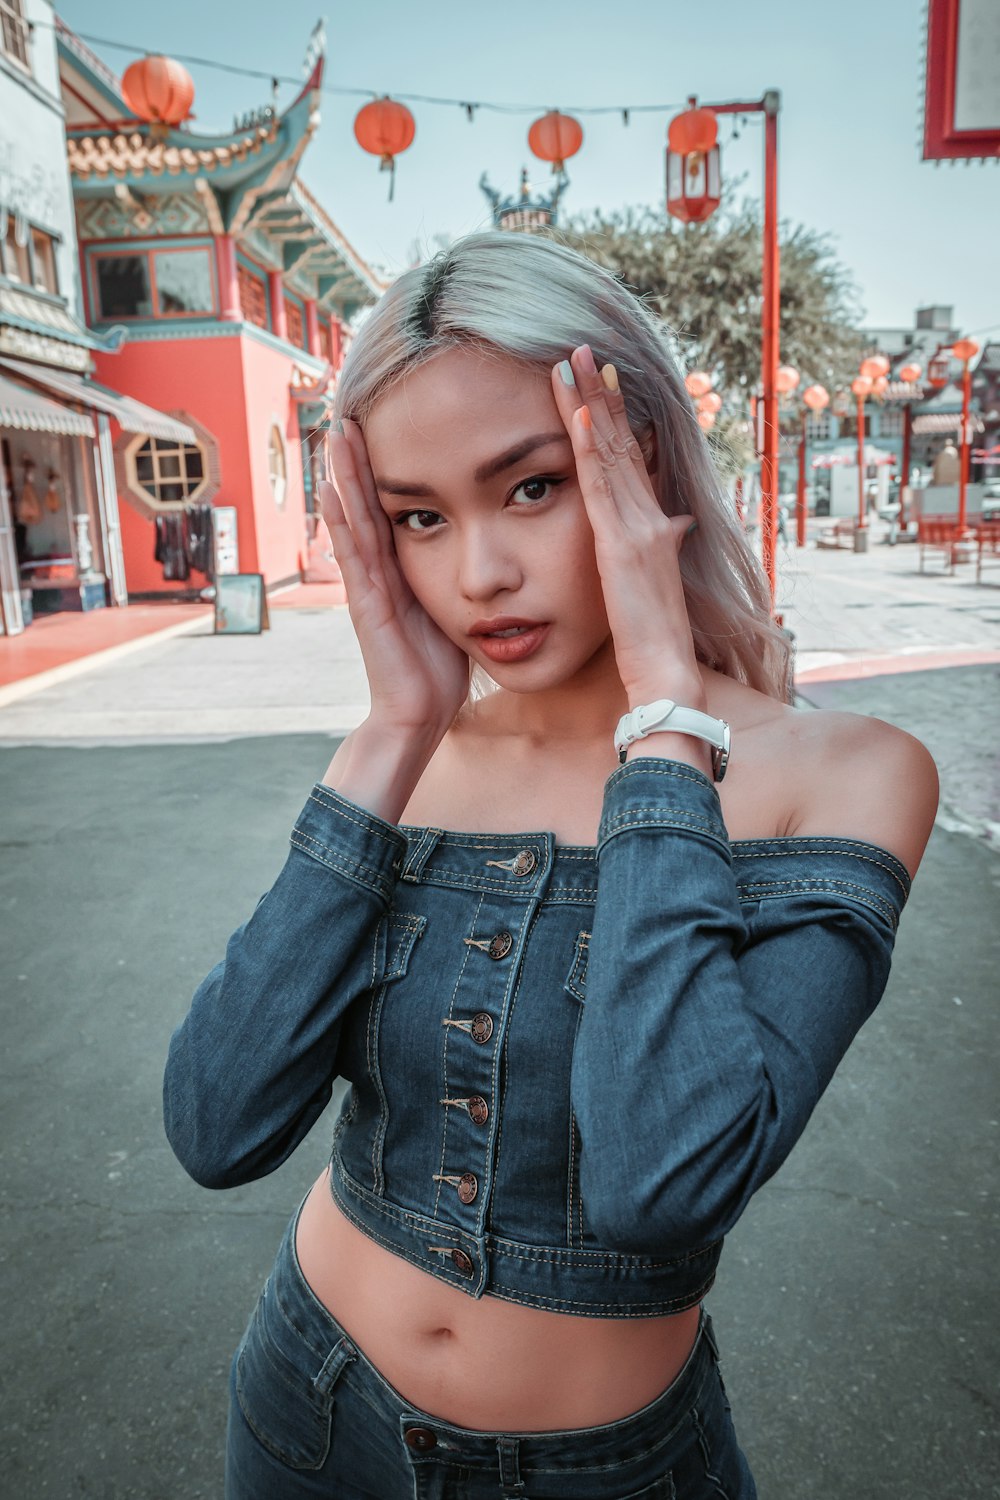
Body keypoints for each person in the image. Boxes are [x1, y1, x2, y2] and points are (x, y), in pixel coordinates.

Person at [163, 231, 938, 1499]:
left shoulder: (847, 775)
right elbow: (215, 1123)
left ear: (640, 464)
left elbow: (662, 1182)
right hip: (309, 1404)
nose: (478, 574)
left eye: (531, 487)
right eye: (419, 516)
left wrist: (664, 725)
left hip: (601, 1472)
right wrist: (393, 726)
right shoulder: (410, 761)